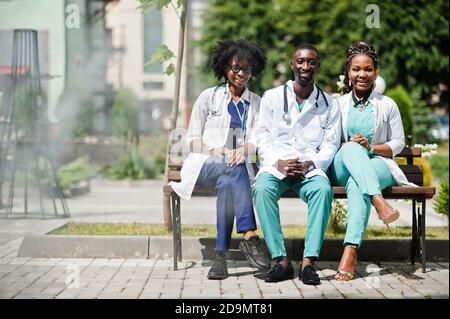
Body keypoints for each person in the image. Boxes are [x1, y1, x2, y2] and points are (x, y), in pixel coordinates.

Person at [170, 39, 271, 280]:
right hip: (204, 164)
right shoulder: (208, 97)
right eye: (236, 68)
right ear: (225, 68)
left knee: (229, 180)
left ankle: (220, 257)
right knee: (230, 168)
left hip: (234, 172)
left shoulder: (256, 103)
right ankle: (248, 234)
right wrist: (216, 151)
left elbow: (258, 140)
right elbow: (191, 139)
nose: (241, 73)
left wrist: (244, 149)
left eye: (246, 69)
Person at [253, 44, 341, 285]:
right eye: (300, 61)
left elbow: (331, 145)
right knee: (261, 189)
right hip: (277, 165)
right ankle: (280, 260)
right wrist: (277, 162)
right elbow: (262, 136)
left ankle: (308, 263)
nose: (305, 66)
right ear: (292, 65)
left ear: (318, 66)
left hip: (309, 169)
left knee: (323, 192)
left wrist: (311, 164)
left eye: (311, 62)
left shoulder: (330, 104)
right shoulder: (272, 97)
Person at [331, 41, 415, 281]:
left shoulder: (387, 104)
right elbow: (328, 143)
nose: (362, 74)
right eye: (356, 69)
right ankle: (379, 201)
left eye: (368, 69)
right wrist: (354, 147)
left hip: (379, 165)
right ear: (348, 72)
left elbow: (398, 142)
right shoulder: (337, 105)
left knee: (359, 185)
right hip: (344, 165)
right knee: (350, 149)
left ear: (375, 72)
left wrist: (371, 147)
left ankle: (350, 250)